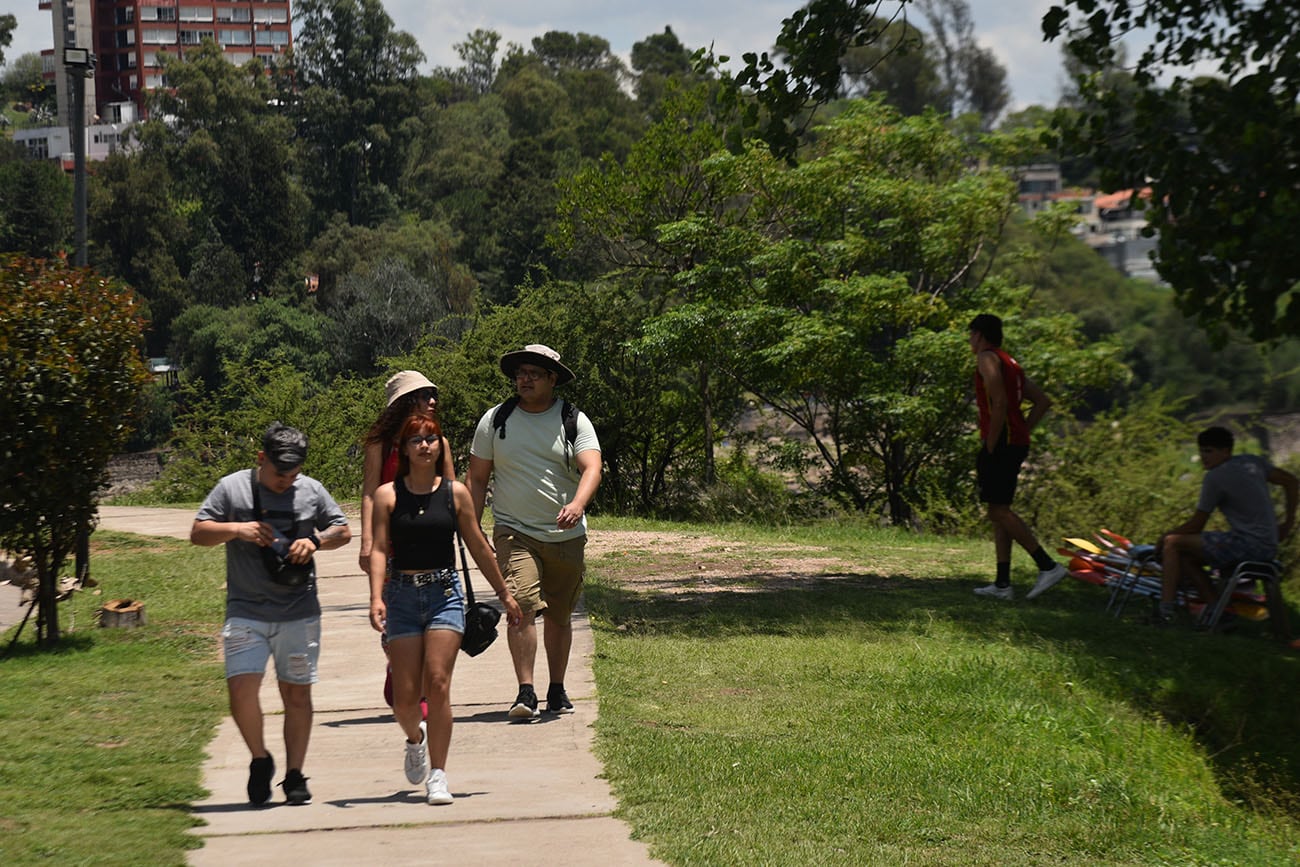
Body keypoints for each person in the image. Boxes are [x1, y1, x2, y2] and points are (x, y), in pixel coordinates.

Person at [190, 422, 351, 807]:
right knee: (241, 690)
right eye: (279, 473)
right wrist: (237, 529)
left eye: (293, 474)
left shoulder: (311, 490)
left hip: (299, 611)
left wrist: (313, 541)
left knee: (297, 694)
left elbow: (342, 530)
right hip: (246, 609)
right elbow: (198, 532)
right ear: (261, 459)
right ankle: (260, 759)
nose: (286, 481)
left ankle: (295, 775)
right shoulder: (232, 488)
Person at [368, 411, 522, 804]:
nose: (424, 445)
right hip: (401, 595)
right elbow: (382, 550)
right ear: (403, 449)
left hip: (444, 594)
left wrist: (504, 593)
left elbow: (477, 546)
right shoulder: (389, 495)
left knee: (438, 683)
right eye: (416, 439)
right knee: (404, 699)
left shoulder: (454, 495)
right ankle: (415, 739)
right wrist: (375, 597)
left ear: (441, 446)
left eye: (431, 438)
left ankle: (438, 774)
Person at [467, 344, 602, 720]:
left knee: (560, 615)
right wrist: (471, 524)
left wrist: (577, 505)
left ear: (552, 379)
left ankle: (556, 689)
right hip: (514, 531)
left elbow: (592, 468)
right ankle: (525, 692)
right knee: (521, 605)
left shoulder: (573, 420)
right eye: (520, 373)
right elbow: (477, 478)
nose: (524, 379)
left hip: (565, 537)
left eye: (534, 373)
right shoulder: (496, 420)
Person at [360, 371, 455, 713]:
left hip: (429, 542)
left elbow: (451, 492)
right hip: (392, 543)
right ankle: (398, 667)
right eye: (424, 395)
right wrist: (367, 541)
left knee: (435, 617)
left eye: (434, 395)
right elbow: (370, 491)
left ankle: (425, 692)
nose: (433, 401)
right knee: (394, 615)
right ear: (405, 402)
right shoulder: (380, 444)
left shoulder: (438, 442)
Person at [967, 314, 1068, 601]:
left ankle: (1047, 566)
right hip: (1014, 441)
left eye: (971, 334)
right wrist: (1022, 429)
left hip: (1000, 444)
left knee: (998, 511)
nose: (970, 341)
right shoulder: (1010, 361)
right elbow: (1042, 400)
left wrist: (991, 444)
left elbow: (998, 403)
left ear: (979, 335)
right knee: (999, 511)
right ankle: (1002, 584)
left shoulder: (987, 358)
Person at [1154, 426, 1297, 625]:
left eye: (1209, 451)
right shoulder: (1251, 462)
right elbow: (1291, 481)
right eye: (1202, 450)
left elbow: (1197, 524)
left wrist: (1164, 536)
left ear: (1226, 451)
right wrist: (1287, 523)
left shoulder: (1215, 477)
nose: (1204, 456)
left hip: (1248, 545)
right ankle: (1219, 612)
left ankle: (1165, 612)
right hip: (1268, 546)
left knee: (1172, 543)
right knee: (1184, 556)